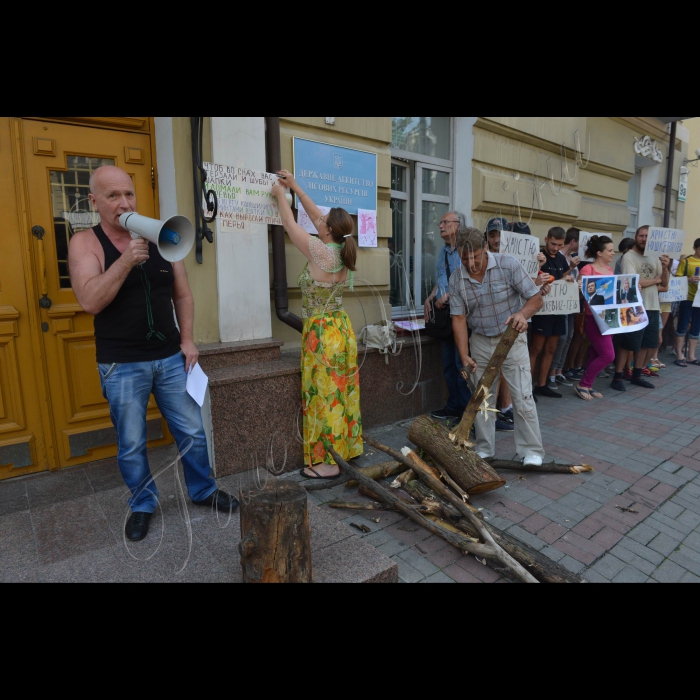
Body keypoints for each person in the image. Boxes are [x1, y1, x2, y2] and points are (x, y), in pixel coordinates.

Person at [68, 166, 238, 543]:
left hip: (170, 357)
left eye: (128, 194)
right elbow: (90, 300)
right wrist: (127, 259)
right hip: (121, 362)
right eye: (113, 196)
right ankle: (143, 503)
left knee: (192, 429)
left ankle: (204, 490)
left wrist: (189, 340)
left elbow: (183, 294)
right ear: (95, 201)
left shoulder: (162, 235)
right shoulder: (86, 243)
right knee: (131, 441)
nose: (124, 203)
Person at [271, 171, 363, 480]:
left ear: (327, 230)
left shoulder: (319, 250)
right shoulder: (341, 248)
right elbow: (314, 216)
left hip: (322, 334)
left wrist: (280, 196)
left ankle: (328, 463)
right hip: (341, 329)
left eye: (322, 221)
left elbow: (290, 224)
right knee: (342, 394)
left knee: (324, 399)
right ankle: (346, 450)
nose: (317, 220)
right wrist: (295, 186)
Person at [450, 227, 545, 467]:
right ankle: (484, 449)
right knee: (482, 398)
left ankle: (531, 451)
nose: (471, 263)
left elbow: (536, 298)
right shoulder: (456, 279)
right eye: (464, 258)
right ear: (458, 254)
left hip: (511, 337)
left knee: (522, 395)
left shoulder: (508, 264)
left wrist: (522, 314)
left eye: (475, 257)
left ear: (485, 248)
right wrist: (464, 354)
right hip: (480, 340)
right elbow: (459, 319)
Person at [424, 212, 472, 423]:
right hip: (446, 317)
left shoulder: (466, 250)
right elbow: (444, 280)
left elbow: (471, 279)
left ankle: (466, 412)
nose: (440, 225)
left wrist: (448, 295)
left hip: (463, 316)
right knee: (448, 366)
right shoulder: (444, 251)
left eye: (445, 222)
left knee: (461, 365)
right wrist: (432, 295)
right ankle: (453, 406)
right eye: (440, 222)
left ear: (458, 225)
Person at [612, 225, 671, 391]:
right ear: (636, 237)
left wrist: (665, 269)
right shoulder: (629, 257)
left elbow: (665, 284)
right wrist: (655, 280)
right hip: (634, 306)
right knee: (627, 343)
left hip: (652, 306)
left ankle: (636, 375)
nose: (644, 239)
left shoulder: (654, 257)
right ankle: (617, 377)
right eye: (641, 236)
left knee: (646, 344)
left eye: (647, 236)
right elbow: (631, 283)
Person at [529, 227, 575, 399]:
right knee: (535, 349)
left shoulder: (561, 258)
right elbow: (532, 278)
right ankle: (529, 387)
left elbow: (561, 276)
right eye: (553, 243)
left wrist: (568, 278)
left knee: (551, 348)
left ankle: (542, 384)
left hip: (558, 309)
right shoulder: (539, 257)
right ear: (546, 239)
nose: (555, 248)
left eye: (559, 245)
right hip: (541, 311)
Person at [575, 236, 616, 400]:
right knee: (608, 355)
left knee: (596, 352)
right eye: (610, 250)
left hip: (609, 318)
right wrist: (578, 286)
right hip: (593, 318)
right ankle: (583, 384)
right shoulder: (587, 270)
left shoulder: (610, 270)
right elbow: (577, 294)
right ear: (599, 253)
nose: (613, 253)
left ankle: (588, 384)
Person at [550, 228, 581, 389]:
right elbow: (559, 278)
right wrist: (570, 268)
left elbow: (573, 278)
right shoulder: (561, 257)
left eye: (559, 244)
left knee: (568, 337)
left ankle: (559, 369)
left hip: (570, 303)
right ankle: (552, 372)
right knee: (561, 338)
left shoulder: (572, 257)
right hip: (559, 304)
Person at [673, 239, 700, 367]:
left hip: (699, 299)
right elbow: (677, 278)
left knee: (696, 327)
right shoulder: (686, 261)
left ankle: (691, 356)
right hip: (687, 298)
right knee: (683, 325)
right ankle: (679, 355)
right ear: (695, 248)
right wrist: (688, 279)